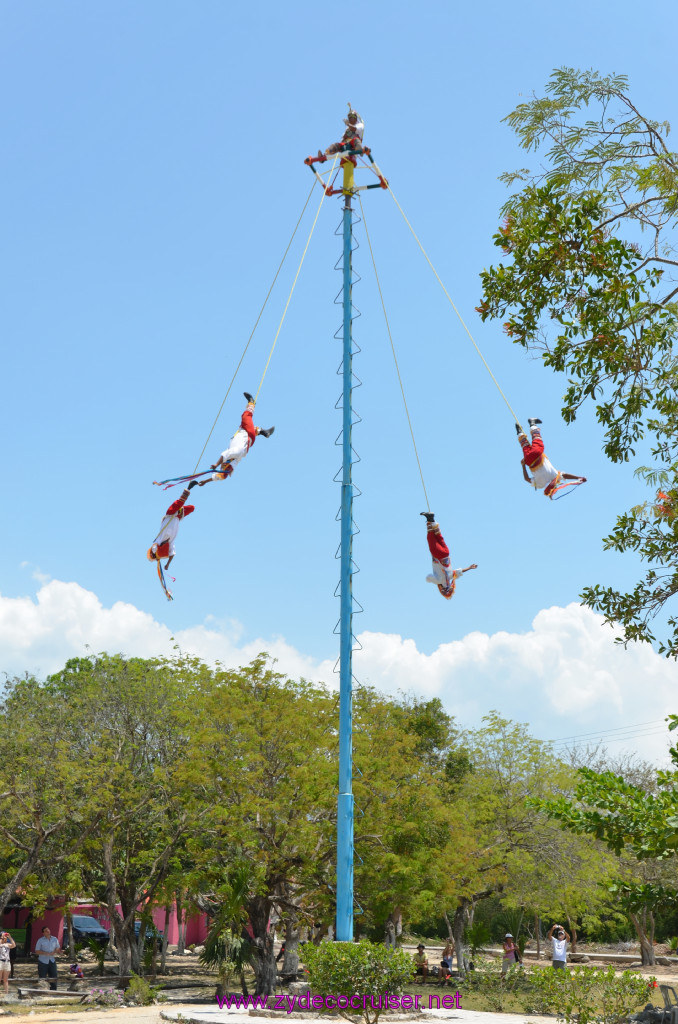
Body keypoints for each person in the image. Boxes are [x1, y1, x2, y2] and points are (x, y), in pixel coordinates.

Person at [197, 394, 274, 487]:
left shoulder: (234, 462)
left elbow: (218, 477)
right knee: (246, 416)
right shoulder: (235, 453)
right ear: (225, 465)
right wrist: (216, 464)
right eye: (222, 467)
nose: (221, 467)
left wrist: (205, 481)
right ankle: (251, 403)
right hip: (247, 433)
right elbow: (225, 454)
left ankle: (264, 432)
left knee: (252, 427)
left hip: (247, 437)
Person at [516, 419, 585, 498]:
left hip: (537, 454)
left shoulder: (554, 476)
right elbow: (527, 479)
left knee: (537, 439)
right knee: (524, 445)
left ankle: (532, 423)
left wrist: (578, 477)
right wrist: (523, 465)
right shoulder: (540, 485)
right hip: (528, 461)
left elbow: (565, 475)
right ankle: (519, 431)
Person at [421, 513, 477, 599]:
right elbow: (428, 578)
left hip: (446, 553)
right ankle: (430, 519)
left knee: (439, 537)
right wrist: (435, 581)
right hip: (438, 555)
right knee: (431, 538)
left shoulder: (450, 576)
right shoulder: (439, 580)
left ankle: (432, 519)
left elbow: (460, 571)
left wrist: (470, 567)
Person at [147, 488, 195, 570]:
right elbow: (172, 554)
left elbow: (155, 549)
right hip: (177, 517)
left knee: (182, 503)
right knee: (192, 508)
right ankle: (182, 503)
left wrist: (158, 558)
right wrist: (167, 564)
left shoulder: (158, 541)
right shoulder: (169, 543)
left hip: (170, 515)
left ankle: (186, 493)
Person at [35, 925, 60, 990]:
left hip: (52, 960)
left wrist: (54, 952)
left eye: (48, 930)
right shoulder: (40, 940)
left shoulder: (54, 939)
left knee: (54, 977)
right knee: (42, 977)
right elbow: (37, 951)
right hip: (43, 961)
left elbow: (58, 948)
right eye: (46, 931)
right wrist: (45, 953)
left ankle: (53, 991)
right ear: (43, 933)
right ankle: (42, 990)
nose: (47, 931)